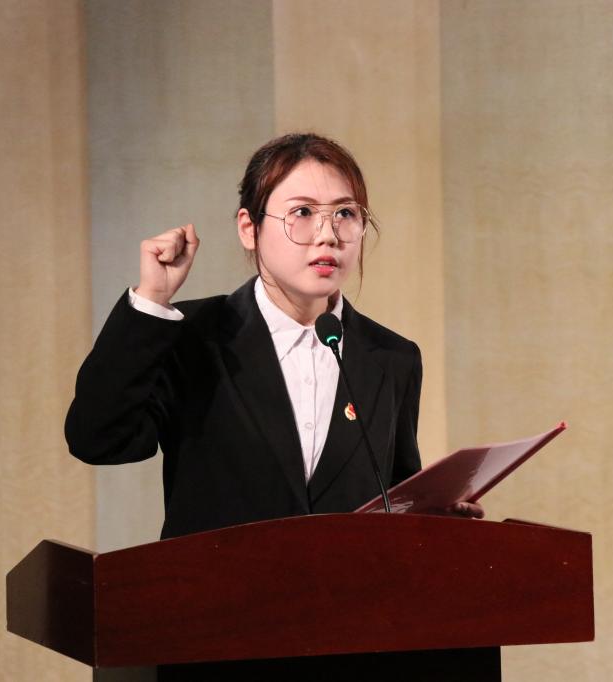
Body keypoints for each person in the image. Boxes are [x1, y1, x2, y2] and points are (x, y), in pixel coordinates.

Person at [65, 132, 483, 541]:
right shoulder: (195, 336)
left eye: (345, 213)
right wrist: (152, 299)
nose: (328, 235)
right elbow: (99, 440)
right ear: (249, 228)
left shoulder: (392, 357)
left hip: (344, 587)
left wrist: (433, 518)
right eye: (302, 212)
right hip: (214, 586)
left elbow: (393, 497)